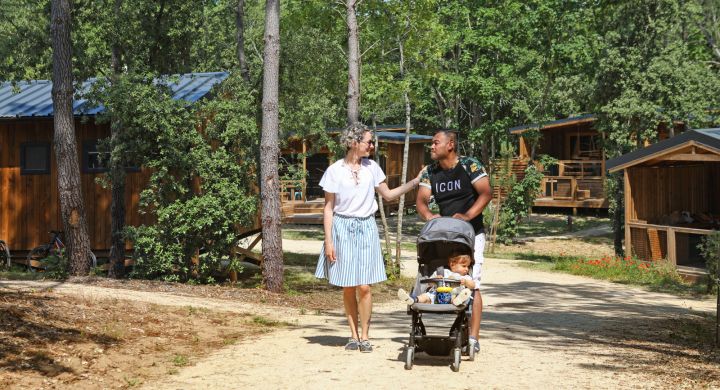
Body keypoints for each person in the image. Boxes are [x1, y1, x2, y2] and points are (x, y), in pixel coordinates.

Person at [315, 123, 422, 353]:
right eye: (369, 141)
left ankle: (365, 336)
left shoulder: (372, 167)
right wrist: (329, 241)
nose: (372, 145)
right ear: (354, 143)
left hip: (366, 227)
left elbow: (389, 195)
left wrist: (415, 182)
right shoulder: (334, 170)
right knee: (348, 285)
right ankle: (353, 336)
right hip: (341, 228)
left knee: (364, 286)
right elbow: (328, 208)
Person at [415, 129, 492, 355]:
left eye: (435, 142)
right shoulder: (430, 172)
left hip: (472, 233)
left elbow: (486, 193)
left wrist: (468, 216)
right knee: (440, 278)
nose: (431, 146)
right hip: (445, 235)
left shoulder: (470, 166)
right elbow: (421, 201)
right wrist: (430, 217)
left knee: (471, 282)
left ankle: (473, 337)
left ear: (450, 145)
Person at [397, 252, 474, 306]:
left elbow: (473, 285)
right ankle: (413, 299)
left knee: (461, 294)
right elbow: (429, 283)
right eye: (464, 266)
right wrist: (435, 279)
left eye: (468, 266)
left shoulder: (465, 277)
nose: (467, 269)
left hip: (452, 296)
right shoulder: (442, 271)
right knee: (425, 297)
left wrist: (466, 282)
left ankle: (458, 301)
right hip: (436, 295)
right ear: (452, 264)